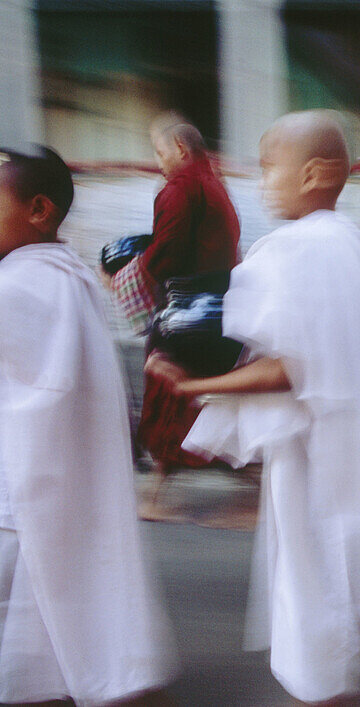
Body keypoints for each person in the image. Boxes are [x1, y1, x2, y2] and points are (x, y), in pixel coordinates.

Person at [147, 111, 360, 702]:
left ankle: (324, 680)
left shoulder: (291, 248)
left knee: (313, 565)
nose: (260, 182)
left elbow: (290, 367)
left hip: (311, 449)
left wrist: (198, 388)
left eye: (270, 167)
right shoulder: (349, 239)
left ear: (314, 174)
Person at [0, 145, 177, 703]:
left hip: (23, 475)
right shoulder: (68, 271)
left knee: (33, 589)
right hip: (57, 468)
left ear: (38, 209)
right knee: (55, 589)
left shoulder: (18, 287)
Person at [106, 114, 241, 515]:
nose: (158, 160)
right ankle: (167, 489)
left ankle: (157, 495)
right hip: (217, 302)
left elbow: (168, 251)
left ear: (181, 150)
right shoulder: (214, 183)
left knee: (169, 392)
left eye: (160, 151)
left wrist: (127, 273)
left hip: (185, 307)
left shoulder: (180, 189)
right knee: (201, 393)